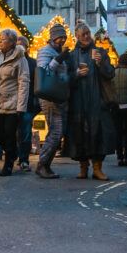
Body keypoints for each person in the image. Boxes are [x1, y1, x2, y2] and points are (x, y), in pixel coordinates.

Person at [65, 22, 115, 180]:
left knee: (98, 134)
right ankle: (83, 167)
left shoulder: (100, 51)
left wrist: (100, 64)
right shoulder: (72, 55)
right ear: (78, 37)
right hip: (79, 102)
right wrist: (76, 74)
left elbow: (110, 73)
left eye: (88, 33)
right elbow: (65, 79)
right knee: (80, 135)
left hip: (97, 100)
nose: (86, 36)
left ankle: (97, 168)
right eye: (83, 34)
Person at [0, 28, 30, 176]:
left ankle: (8, 164)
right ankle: (12, 152)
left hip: (12, 104)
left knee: (9, 134)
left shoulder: (20, 58)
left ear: (12, 42)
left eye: (3, 39)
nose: (0, 41)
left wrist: (21, 107)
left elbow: (24, 82)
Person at [34, 23, 70, 179]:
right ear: (53, 37)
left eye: (64, 37)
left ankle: (45, 164)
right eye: (59, 37)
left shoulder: (57, 51)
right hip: (49, 97)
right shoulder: (45, 51)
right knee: (55, 132)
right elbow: (44, 71)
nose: (62, 40)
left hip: (58, 96)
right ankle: (43, 165)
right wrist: (59, 59)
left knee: (57, 132)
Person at [16, 36, 39, 171]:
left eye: (21, 45)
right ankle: (16, 156)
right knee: (13, 133)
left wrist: (36, 103)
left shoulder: (32, 63)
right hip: (12, 104)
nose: (19, 48)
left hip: (28, 104)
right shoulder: (12, 61)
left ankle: (24, 159)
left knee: (25, 133)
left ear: (26, 48)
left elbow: (36, 84)